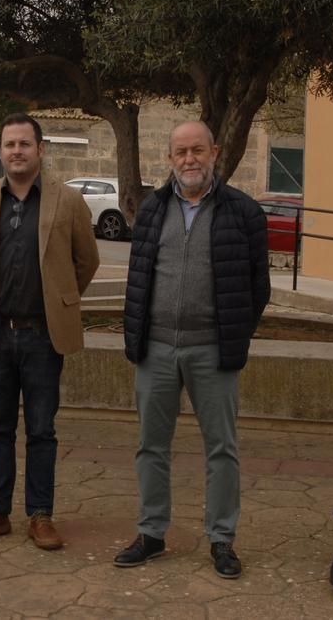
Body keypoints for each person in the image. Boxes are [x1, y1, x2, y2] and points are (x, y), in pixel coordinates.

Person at [113, 121, 269, 578]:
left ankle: (222, 539)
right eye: (180, 152)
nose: (189, 160)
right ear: (169, 158)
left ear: (214, 151)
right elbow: (139, 278)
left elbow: (258, 286)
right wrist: (137, 338)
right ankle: (152, 533)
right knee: (150, 447)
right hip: (156, 349)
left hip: (212, 352)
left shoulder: (242, 211)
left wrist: (235, 334)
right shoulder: (152, 208)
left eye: (197, 150)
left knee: (222, 448)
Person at [0, 113, 99, 550]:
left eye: (24, 143)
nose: (16, 151)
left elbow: (86, 260)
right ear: (0, 150)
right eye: (8, 144)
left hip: (43, 335)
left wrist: (58, 296)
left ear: (40, 149)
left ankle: (40, 514)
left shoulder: (68, 200)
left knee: (41, 429)